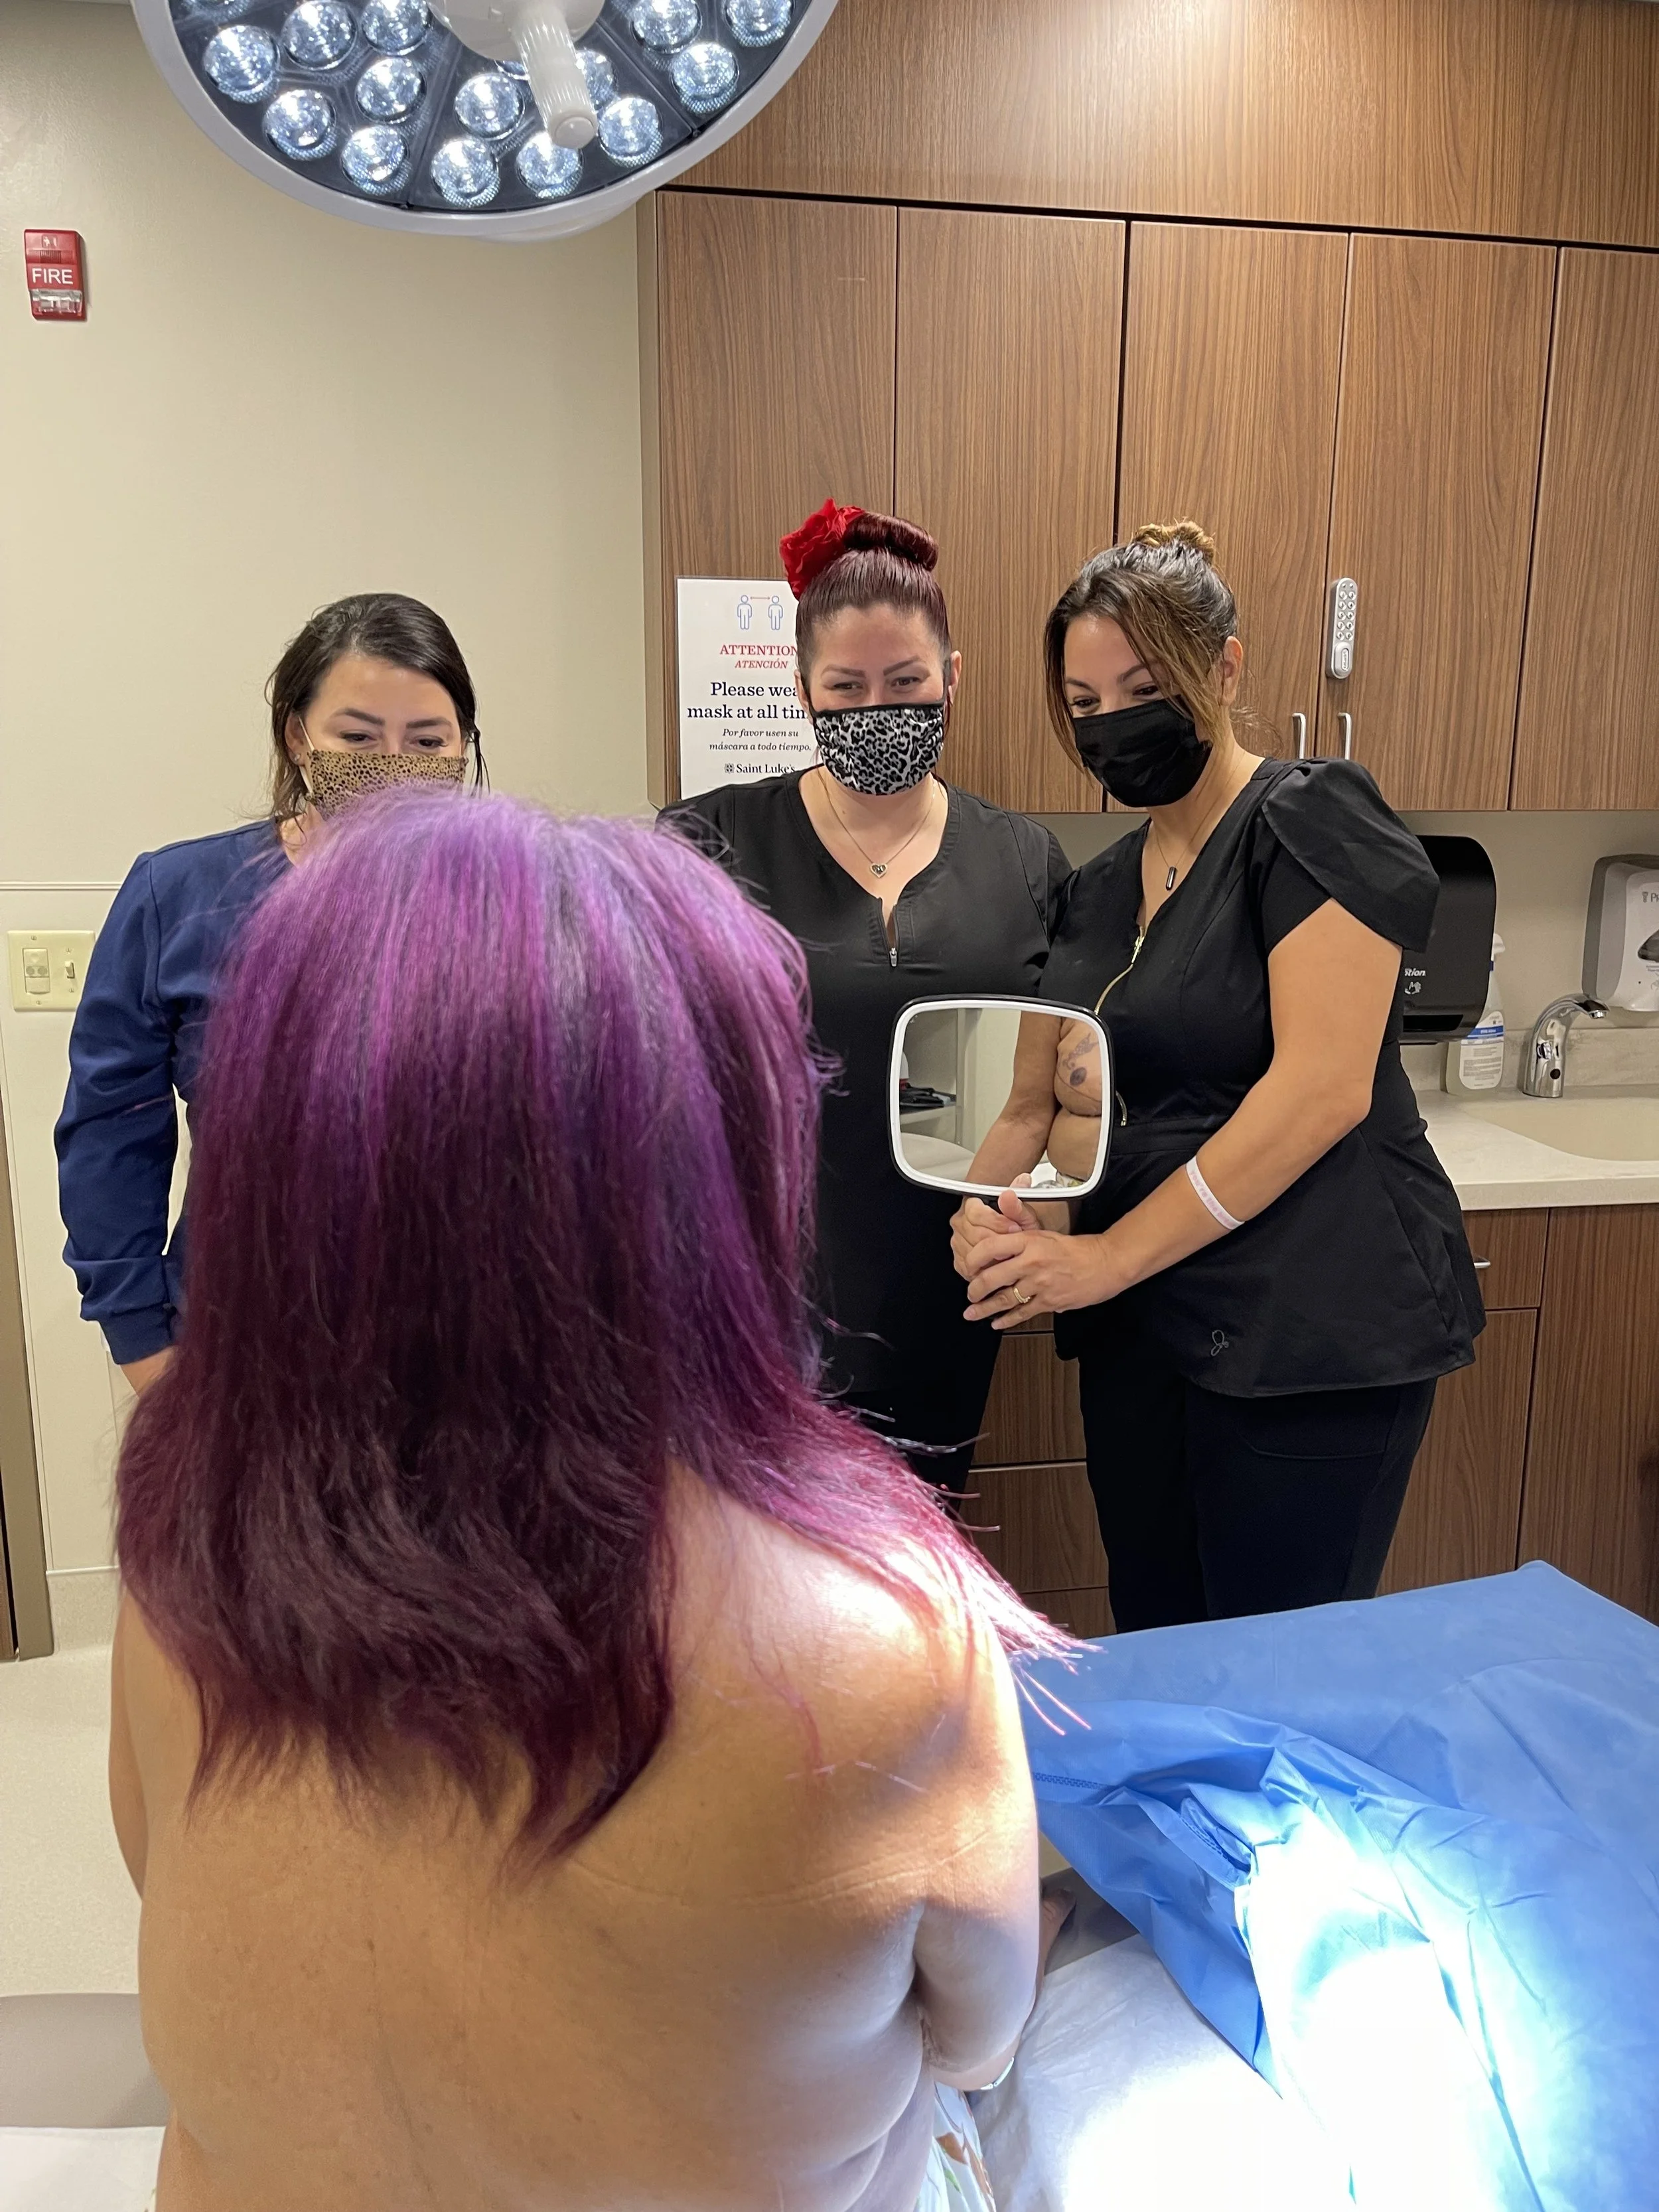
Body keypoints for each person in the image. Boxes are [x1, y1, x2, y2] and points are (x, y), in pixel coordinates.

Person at [108, 795, 1072, 2212]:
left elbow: (164, 1881)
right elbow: (978, 2043)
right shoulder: (885, 1635)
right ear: (723, 1175)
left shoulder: (176, 1576)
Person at [952, 523, 1483, 1631]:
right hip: (1149, 1331)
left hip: (1307, 1337)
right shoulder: (1096, 894)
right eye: (1085, 703)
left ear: (1226, 668)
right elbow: (1041, 1105)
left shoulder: (1306, 821)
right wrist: (1005, 1217)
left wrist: (1102, 1256)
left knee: (1278, 1677)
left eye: (1142, 687)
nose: (1111, 725)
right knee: (1162, 1637)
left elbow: (1320, 1091)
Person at [663, 500, 1072, 1493]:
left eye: (906, 682)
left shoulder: (1023, 861)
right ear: (803, 688)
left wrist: (1049, 1228)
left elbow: (1066, 1077)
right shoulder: (707, 846)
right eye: (846, 686)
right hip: (756, 1302)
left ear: (952, 680)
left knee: (913, 1589)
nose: (875, 708)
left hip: (950, 1293)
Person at [55, 593, 482, 1395]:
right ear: (297, 735)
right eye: (357, 737)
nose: (394, 761)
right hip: (241, 1353)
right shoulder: (177, 895)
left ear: (463, 747)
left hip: (471, 1361)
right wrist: (145, 1346)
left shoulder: (515, 906)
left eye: (428, 740)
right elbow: (110, 1132)